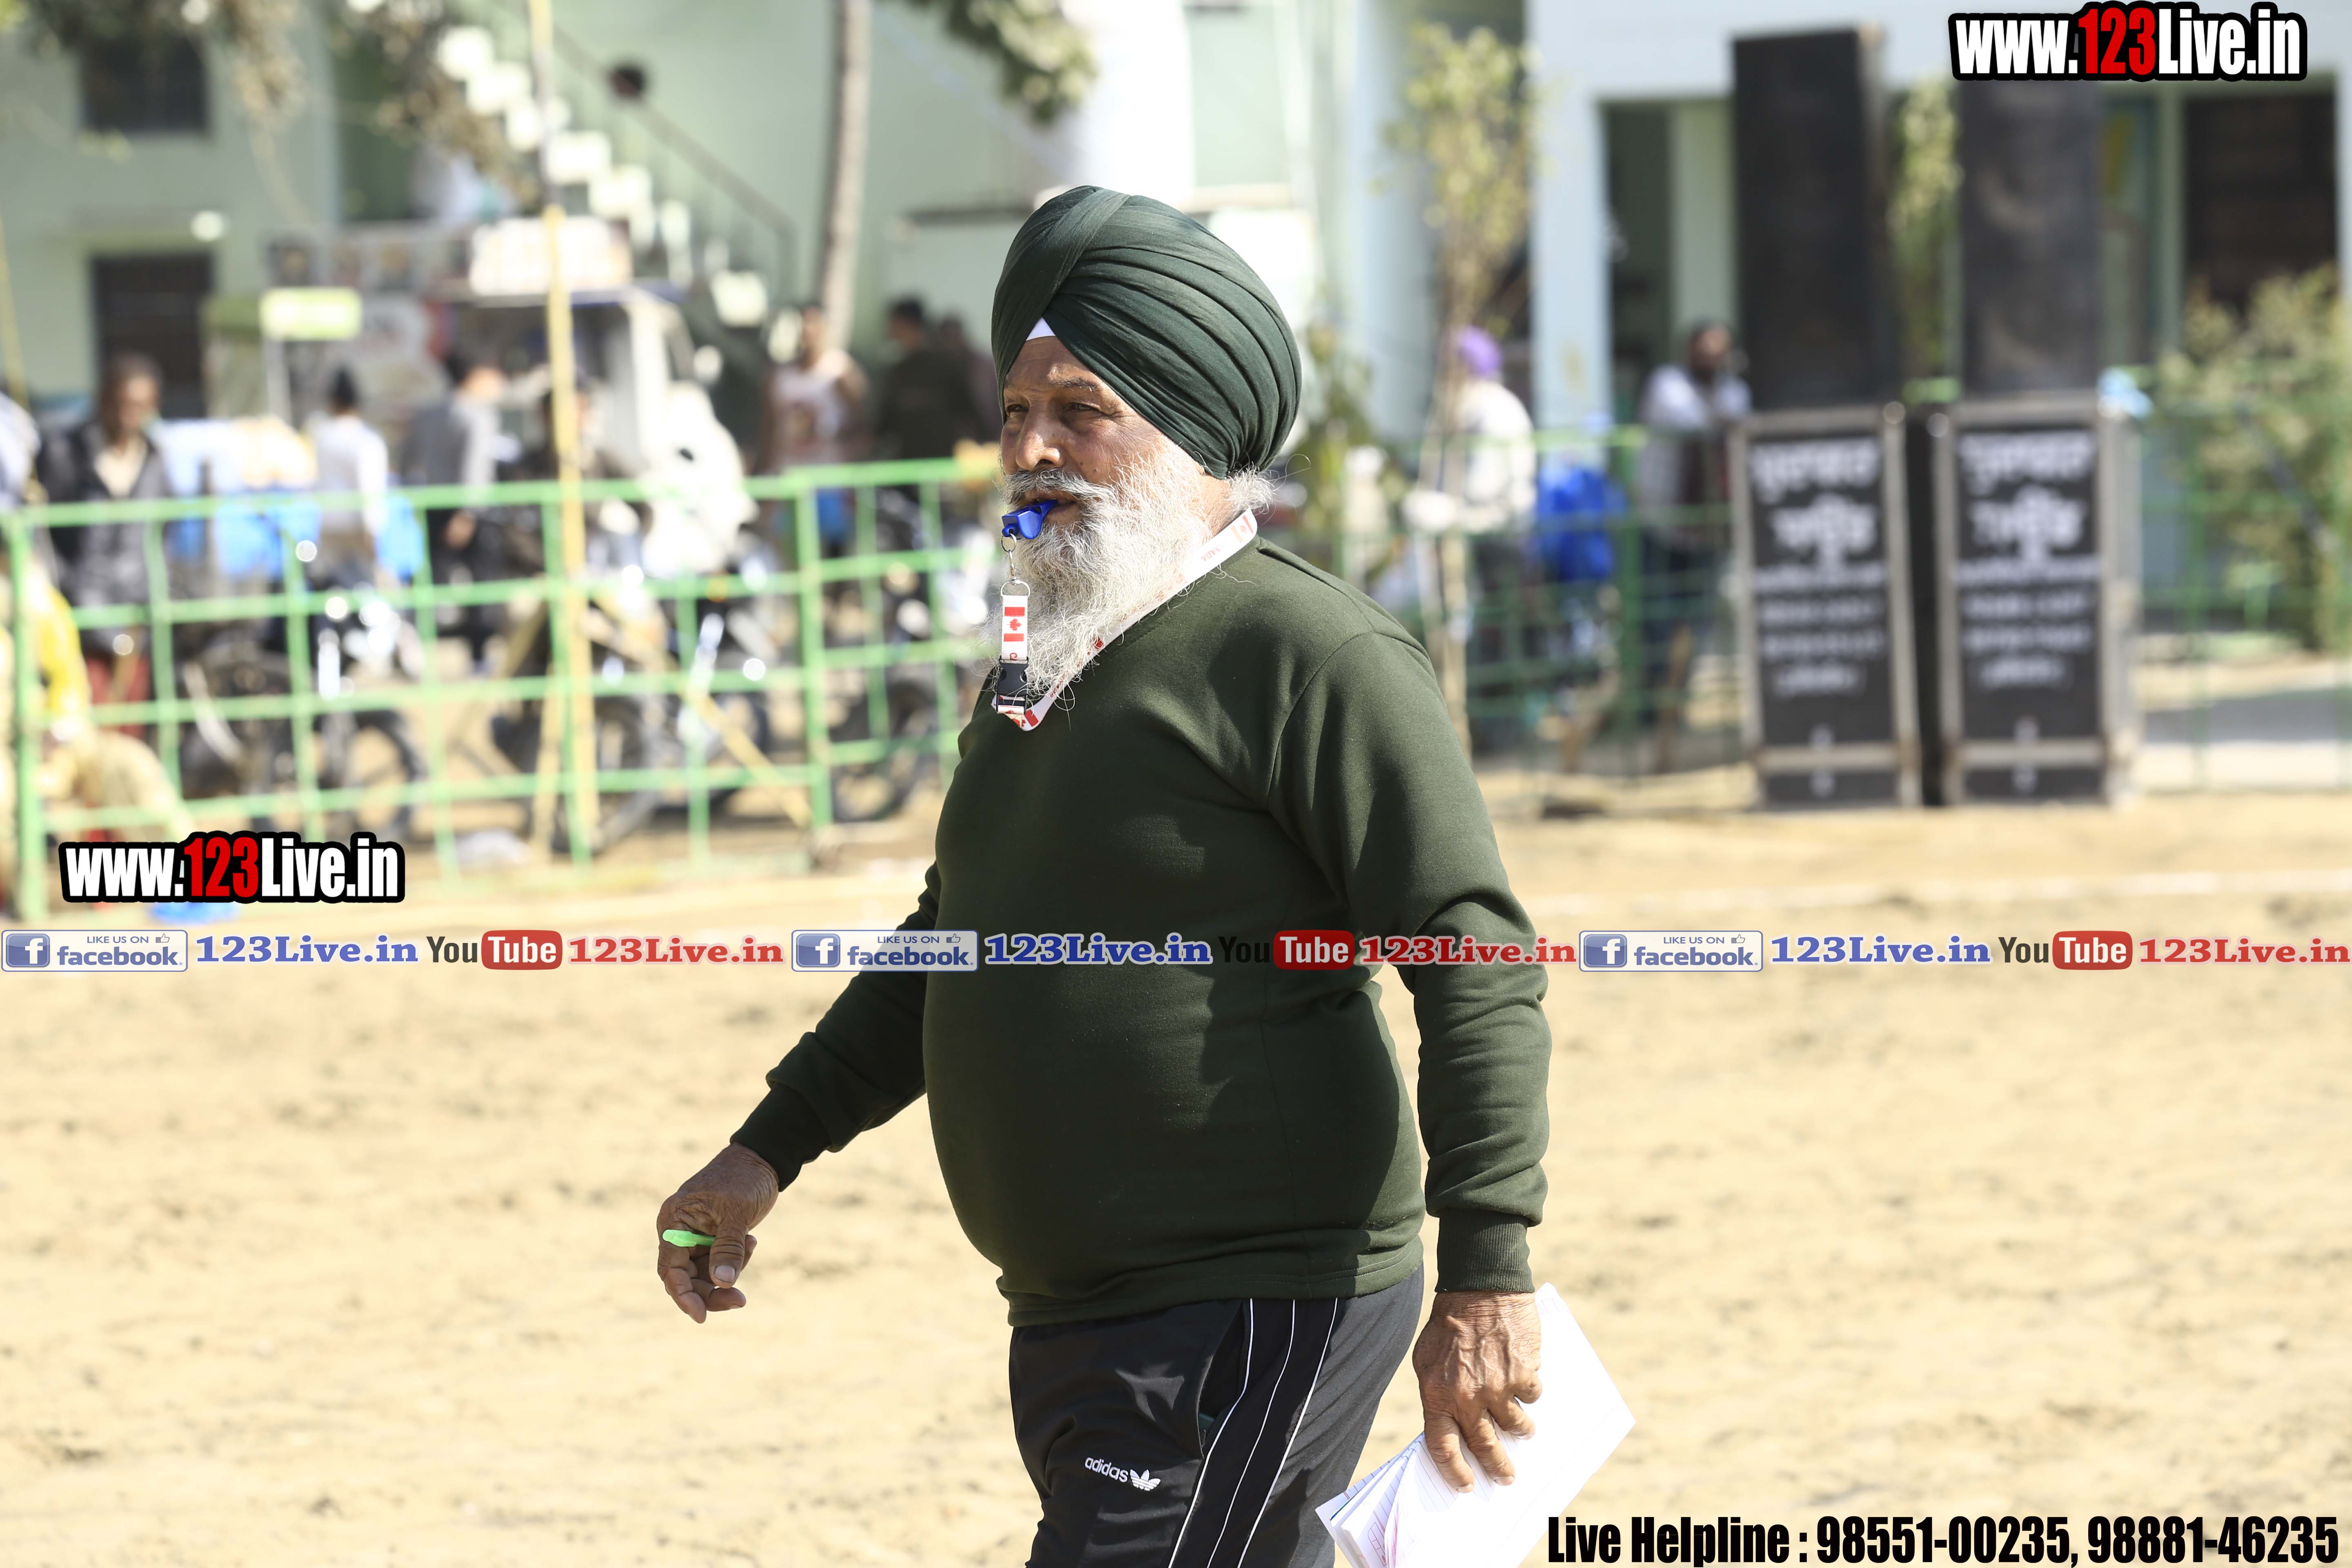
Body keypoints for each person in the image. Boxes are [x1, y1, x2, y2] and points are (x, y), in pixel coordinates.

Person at [655, 186, 1552, 1568]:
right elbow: (958, 935)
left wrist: (1490, 1269)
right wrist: (768, 1148)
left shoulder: (1312, 653)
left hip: (1254, 1301)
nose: (1030, 447)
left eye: (1082, 412)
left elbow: (1472, 953)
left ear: (1194, 430)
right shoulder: (1039, 651)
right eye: (1017, 411)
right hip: (1076, 1317)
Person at [1633, 321, 1750, 771]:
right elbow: (1693, 422)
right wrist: (1724, 422)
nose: (1711, 359)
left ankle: (1675, 709)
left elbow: (1736, 424)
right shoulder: (1667, 384)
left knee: (1696, 628)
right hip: (1661, 525)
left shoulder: (1734, 391)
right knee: (1657, 625)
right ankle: (1652, 710)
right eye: (1705, 350)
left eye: (1719, 351)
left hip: (1708, 533)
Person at [35, 352, 170, 703]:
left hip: (137, 613)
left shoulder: (155, 460)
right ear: (104, 401)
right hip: (78, 610)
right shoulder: (64, 454)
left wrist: (155, 588)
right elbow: (43, 531)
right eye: (123, 404)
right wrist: (65, 585)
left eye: (141, 406)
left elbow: (165, 531)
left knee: (132, 714)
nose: (130, 415)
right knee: (87, 710)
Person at [399, 349, 508, 667]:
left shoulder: (428, 414)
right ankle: (479, 655)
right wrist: (468, 513)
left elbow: (407, 462)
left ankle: (414, 648)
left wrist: (416, 498)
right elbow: (474, 467)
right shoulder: (479, 415)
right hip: (472, 512)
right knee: (481, 584)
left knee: (429, 581)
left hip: (434, 505)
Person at [757, 302, 867, 551]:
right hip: (789, 479)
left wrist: (836, 432)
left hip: (830, 482)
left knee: (831, 552)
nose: (808, 331)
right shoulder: (780, 377)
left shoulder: (839, 372)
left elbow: (861, 426)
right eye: (803, 324)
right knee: (788, 551)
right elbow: (769, 431)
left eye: (814, 324)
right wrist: (763, 474)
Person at [873, 296, 992, 462]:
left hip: (944, 459)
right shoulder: (898, 371)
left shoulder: (946, 365)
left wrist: (982, 442)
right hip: (908, 460)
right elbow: (887, 420)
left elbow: (968, 409)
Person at [306, 368, 390, 585]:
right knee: (367, 585)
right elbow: (369, 487)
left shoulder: (323, 436)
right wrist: (371, 530)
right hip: (358, 528)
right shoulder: (366, 439)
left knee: (334, 586)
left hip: (329, 523)